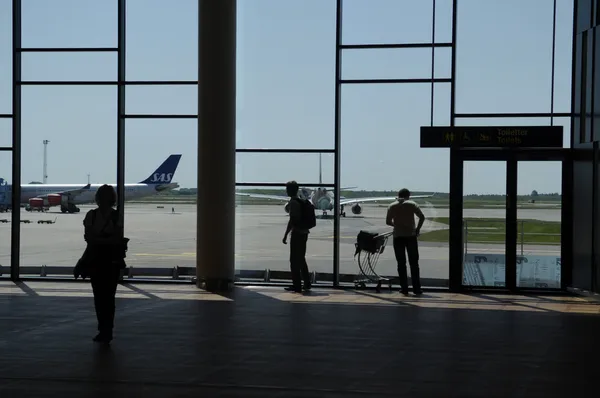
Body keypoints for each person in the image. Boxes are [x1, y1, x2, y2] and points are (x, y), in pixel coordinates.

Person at [83, 184, 124, 343]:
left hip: (96, 260)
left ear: (97, 198)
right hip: (111, 261)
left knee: (99, 298)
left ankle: (103, 329)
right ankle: (108, 330)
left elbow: (89, 239)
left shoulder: (90, 216)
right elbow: (116, 239)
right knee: (109, 298)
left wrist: (97, 241)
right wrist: (107, 240)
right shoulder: (117, 216)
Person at [386, 188, 425, 296]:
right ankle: (417, 288)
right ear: (409, 195)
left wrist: (397, 225)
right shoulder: (412, 204)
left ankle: (404, 288)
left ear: (398, 195)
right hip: (410, 236)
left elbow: (388, 221)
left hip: (398, 236)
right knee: (414, 263)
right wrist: (417, 229)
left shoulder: (392, 206)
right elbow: (422, 217)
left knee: (401, 263)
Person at [282, 180, 312, 293]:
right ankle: (307, 283)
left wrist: (285, 235)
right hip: (304, 233)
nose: (286, 191)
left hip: (297, 234)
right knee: (301, 259)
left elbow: (292, 220)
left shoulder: (294, 203)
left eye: (287, 189)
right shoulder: (300, 201)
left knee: (294, 260)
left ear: (290, 190)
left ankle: (297, 285)